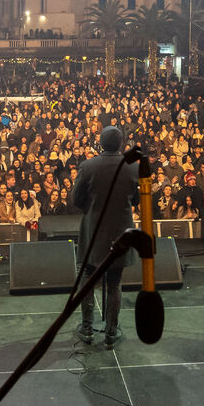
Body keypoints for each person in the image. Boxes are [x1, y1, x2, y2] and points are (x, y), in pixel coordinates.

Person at [72, 126, 139, 349]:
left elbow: (76, 199)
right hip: (121, 232)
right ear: (121, 144)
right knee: (115, 282)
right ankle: (111, 332)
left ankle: (88, 328)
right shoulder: (132, 168)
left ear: (100, 143)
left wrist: (91, 210)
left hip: (94, 232)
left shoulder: (88, 166)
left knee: (88, 279)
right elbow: (136, 200)